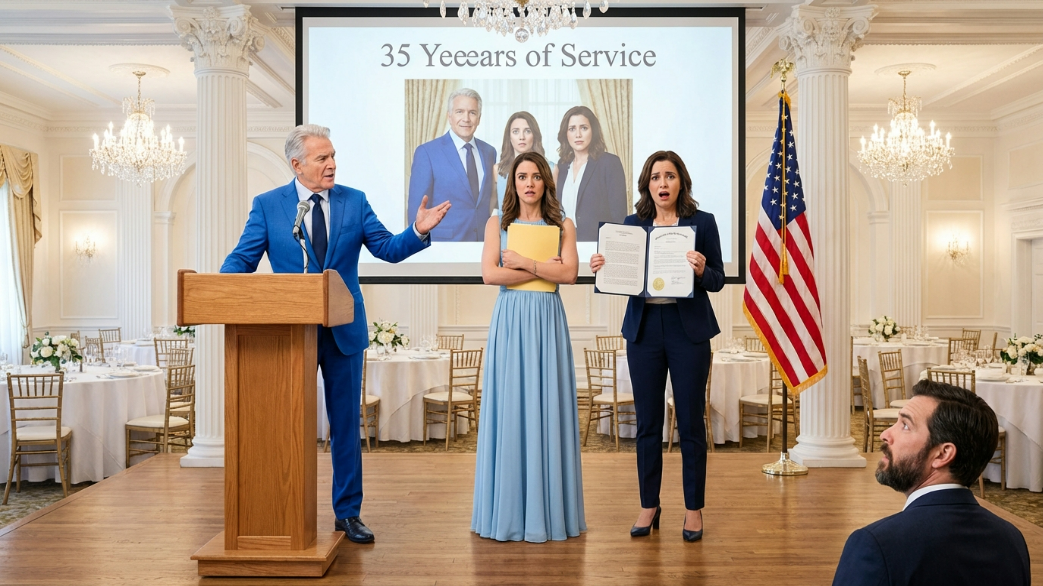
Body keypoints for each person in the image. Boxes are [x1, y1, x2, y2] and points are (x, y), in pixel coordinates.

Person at [220, 124, 450, 544]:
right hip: (289, 334)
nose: (332, 164)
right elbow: (243, 259)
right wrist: (221, 288)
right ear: (297, 164)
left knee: (345, 425)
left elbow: (386, 249)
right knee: (286, 424)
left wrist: (417, 231)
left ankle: (347, 514)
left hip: (343, 330)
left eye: (333, 156)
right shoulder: (269, 205)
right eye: (322, 158)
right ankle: (283, 505)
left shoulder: (354, 201)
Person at [589, 151, 724, 542]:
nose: (662, 183)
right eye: (655, 177)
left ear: (681, 180)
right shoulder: (631, 226)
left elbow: (717, 280)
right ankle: (649, 504)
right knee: (647, 423)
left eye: (669, 176)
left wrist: (701, 270)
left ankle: (693, 509)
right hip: (644, 331)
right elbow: (621, 278)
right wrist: (603, 266)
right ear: (646, 185)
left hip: (688, 332)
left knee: (691, 422)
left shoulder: (703, 223)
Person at [471, 151, 586, 543]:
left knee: (547, 406)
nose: (529, 183)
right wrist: (541, 266)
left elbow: (568, 273)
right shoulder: (495, 223)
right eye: (522, 176)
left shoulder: (563, 224)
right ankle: (507, 514)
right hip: (511, 320)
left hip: (547, 321)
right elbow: (489, 274)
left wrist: (522, 262)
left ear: (546, 183)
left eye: (536, 176)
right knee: (512, 407)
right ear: (513, 182)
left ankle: (548, 514)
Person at [832, 380, 1030, 586]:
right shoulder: (1011, 540)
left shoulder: (875, 544)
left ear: (943, 454)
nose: (886, 435)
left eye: (905, 426)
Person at [407, 88, 496, 242]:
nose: (466, 118)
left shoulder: (490, 152)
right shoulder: (427, 152)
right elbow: (417, 211)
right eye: (460, 112)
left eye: (472, 113)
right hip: (443, 247)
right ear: (449, 116)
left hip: (483, 245)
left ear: (479, 118)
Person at [554, 105, 627, 241]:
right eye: (572, 129)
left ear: (593, 131)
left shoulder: (609, 163)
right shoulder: (562, 166)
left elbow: (619, 216)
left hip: (597, 248)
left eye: (584, 128)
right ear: (566, 134)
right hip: (565, 246)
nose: (578, 135)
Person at [493, 111, 551, 211]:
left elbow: (553, 207)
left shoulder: (551, 169)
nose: (521, 137)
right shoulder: (498, 170)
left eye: (527, 131)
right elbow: (494, 208)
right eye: (515, 131)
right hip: (505, 225)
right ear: (509, 137)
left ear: (535, 135)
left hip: (539, 226)